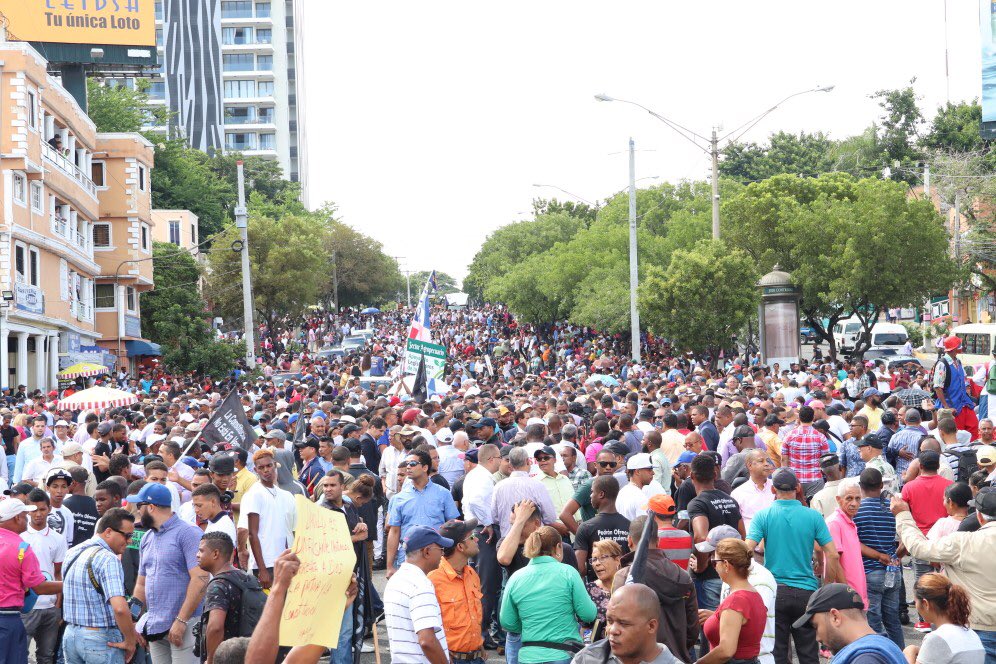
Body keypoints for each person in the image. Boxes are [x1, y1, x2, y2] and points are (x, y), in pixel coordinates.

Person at [745, 468, 843, 664]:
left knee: (778, 653)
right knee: (809, 654)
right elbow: (832, 554)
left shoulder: (763, 515)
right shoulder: (813, 516)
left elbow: (746, 550)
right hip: (806, 591)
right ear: (797, 488)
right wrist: (826, 587)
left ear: (773, 489)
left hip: (775, 591)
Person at [892, 486, 996, 662]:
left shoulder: (964, 542)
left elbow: (919, 548)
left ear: (979, 516)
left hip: (979, 630)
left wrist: (903, 515)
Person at [129, 481, 208, 663]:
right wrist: (134, 620)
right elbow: (141, 583)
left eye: (139, 506)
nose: (137, 511)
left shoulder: (188, 533)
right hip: (156, 624)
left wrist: (181, 620)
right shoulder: (147, 537)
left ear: (151, 507)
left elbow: (201, 578)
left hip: (185, 624)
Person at [500, 525, 597, 664]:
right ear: (558, 547)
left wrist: (531, 626)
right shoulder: (568, 573)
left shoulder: (516, 578)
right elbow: (588, 614)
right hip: (563, 654)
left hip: (528, 656)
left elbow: (507, 622)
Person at [612, 515, 699, 664]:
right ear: (658, 541)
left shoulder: (625, 576)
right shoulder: (683, 575)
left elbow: (618, 623)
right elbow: (692, 628)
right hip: (677, 657)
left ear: (630, 541)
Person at [61, 508, 137, 664]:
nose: (129, 541)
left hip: (70, 635)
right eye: (127, 535)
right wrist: (130, 641)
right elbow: (120, 608)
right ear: (108, 532)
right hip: (100, 638)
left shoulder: (72, 552)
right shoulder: (108, 559)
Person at [383, 525, 452, 664]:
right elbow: (427, 641)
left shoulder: (396, 579)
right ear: (427, 552)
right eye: (441, 549)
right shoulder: (420, 585)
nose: (442, 555)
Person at [689, 454, 745, 620]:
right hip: (732, 575)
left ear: (692, 476)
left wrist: (701, 565)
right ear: (715, 474)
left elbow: (701, 537)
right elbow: (742, 535)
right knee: (730, 622)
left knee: (710, 626)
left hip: (709, 578)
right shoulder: (730, 501)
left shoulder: (697, 503)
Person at [854, 468, 905, 650]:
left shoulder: (858, 510)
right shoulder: (893, 508)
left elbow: (854, 543)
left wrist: (878, 556)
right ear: (881, 485)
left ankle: (879, 655)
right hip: (893, 571)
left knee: (873, 622)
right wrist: (896, 556)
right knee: (893, 621)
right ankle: (900, 657)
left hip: (870, 571)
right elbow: (907, 540)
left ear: (861, 486)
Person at [793, 583, 906, 664]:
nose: (817, 637)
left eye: (816, 626)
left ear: (835, 617)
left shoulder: (865, 659)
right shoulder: (883, 645)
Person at [386, 450, 459, 575]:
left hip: (436, 555)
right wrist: (389, 566)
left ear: (425, 467)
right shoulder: (399, 498)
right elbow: (394, 531)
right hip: (408, 556)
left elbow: (452, 525)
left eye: (413, 463)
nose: (408, 467)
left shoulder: (443, 494)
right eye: (407, 464)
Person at [196, 531, 263, 664]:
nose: (197, 555)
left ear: (215, 554)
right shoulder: (248, 578)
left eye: (201, 551)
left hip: (227, 657)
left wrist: (211, 659)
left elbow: (215, 627)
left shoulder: (218, 585)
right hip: (249, 653)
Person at [570, 583, 680, 664]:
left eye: (623, 623)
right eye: (609, 621)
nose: (612, 630)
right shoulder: (586, 659)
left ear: (651, 626)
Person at [697, 538, 768, 664]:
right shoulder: (754, 594)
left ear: (726, 565)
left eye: (714, 562)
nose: (714, 567)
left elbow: (726, 651)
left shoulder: (735, 601)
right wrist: (716, 617)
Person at [427, 519, 485, 664]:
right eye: (472, 537)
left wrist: (478, 644)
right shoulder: (433, 578)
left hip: (476, 657)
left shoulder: (472, 574)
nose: (477, 539)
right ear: (460, 546)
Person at [20, 488, 66, 664]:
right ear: (27, 510)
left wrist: (58, 604)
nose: (38, 514)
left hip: (50, 607)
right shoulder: (20, 537)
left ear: (49, 509)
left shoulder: (58, 539)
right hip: (26, 606)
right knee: (20, 653)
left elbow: (58, 572)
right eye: (34, 510)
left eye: (42, 509)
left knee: (46, 656)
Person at [239, 449, 296, 590]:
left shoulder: (286, 496)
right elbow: (252, 533)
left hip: (286, 560)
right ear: (256, 470)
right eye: (261, 467)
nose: (266, 470)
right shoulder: (254, 494)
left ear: (275, 465)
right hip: (266, 564)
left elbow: (294, 530)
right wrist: (262, 569)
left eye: (269, 465)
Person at [574, 475, 631, 579]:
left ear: (601, 494)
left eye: (592, 492)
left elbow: (579, 568)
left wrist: (593, 573)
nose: (590, 496)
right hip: (624, 584)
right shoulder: (629, 525)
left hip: (597, 586)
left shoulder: (586, 527)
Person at [823, 480, 868, 607]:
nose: (854, 503)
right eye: (849, 498)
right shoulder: (834, 523)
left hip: (855, 594)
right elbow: (834, 561)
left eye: (858, 498)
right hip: (846, 597)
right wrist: (849, 593)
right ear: (838, 499)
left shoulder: (848, 521)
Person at [934, 336, 979, 440]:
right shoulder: (942, 364)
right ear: (954, 348)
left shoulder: (958, 362)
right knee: (956, 434)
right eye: (959, 346)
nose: (961, 348)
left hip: (964, 403)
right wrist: (946, 407)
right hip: (952, 405)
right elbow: (938, 387)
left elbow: (963, 380)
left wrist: (968, 397)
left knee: (973, 428)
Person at [780, 406, 829, 495]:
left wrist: (785, 478)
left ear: (799, 418)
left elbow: (784, 460)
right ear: (813, 418)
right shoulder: (821, 437)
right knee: (814, 503)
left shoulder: (789, 436)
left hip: (794, 480)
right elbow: (825, 460)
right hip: (815, 479)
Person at [586, 539, 622, 640]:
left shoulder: (628, 587)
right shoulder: (589, 590)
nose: (597, 563)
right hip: (598, 647)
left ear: (617, 560)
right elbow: (584, 628)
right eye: (594, 559)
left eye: (602, 558)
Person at [730, 449, 774, 530]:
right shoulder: (738, 493)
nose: (766, 464)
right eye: (761, 461)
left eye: (767, 461)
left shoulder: (777, 488)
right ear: (750, 466)